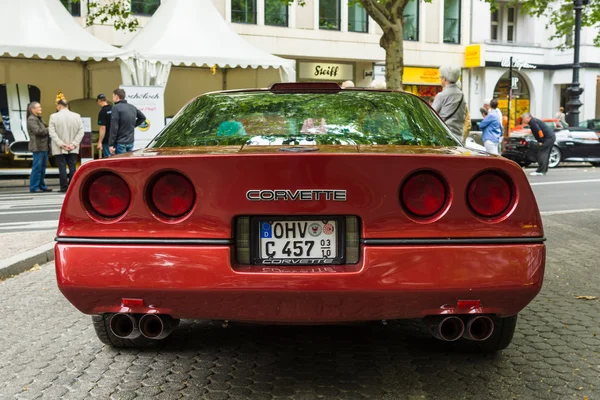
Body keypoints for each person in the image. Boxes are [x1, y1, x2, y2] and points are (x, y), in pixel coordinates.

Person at [49, 99, 84, 192]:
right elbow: (81, 132)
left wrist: (61, 144)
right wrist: (74, 144)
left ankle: (63, 187)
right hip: (73, 147)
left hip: (59, 147)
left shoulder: (53, 116)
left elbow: (52, 132)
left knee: (62, 166)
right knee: (72, 166)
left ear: (59, 106)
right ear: (67, 106)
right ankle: (72, 187)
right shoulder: (77, 116)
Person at [432, 66, 466, 142]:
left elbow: (431, 115)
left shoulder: (441, 95)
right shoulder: (462, 95)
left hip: (444, 135)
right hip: (459, 137)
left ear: (444, 79)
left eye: (441, 77)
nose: (440, 79)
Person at [108, 88, 146, 155]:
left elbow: (114, 127)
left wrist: (111, 144)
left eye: (113, 96)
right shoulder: (132, 107)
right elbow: (142, 118)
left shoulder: (115, 108)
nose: (112, 98)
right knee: (128, 163)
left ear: (117, 96)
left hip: (120, 142)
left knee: (121, 163)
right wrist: (133, 125)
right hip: (130, 141)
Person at [26, 102, 52, 193]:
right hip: (37, 147)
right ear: (32, 109)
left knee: (42, 167)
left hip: (43, 146)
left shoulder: (38, 118)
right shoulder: (31, 119)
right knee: (37, 167)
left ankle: (41, 185)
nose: (40, 108)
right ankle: (34, 186)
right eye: (38, 107)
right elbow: (38, 131)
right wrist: (49, 129)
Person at [96, 94, 112, 158]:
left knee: (109, 159)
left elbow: (103, 128)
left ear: (99, 101)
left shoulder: (102, 112)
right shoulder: (113, 108)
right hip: (116, 139)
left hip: (107, 140)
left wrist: (100, 142)